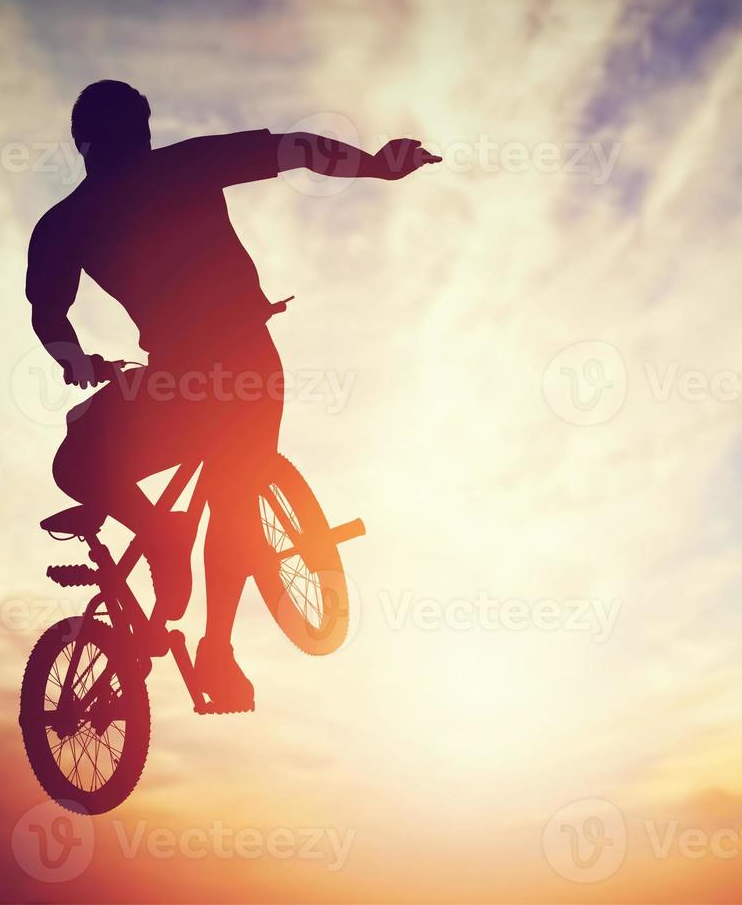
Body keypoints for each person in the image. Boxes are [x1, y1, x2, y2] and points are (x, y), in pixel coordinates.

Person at [26, 80, 439, 710]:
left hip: (175, 383)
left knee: (77, 465)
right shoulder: (183, 165)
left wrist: (76, 361)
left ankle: (158, 534)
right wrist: (378, 168)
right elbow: (296, 149)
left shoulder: (67, 223)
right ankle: (216, 647)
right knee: (233, 497)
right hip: (241, 368)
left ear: (81, 144)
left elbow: (48, 317)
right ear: (143, 130)